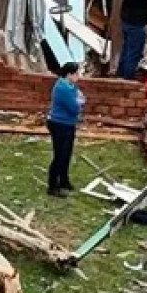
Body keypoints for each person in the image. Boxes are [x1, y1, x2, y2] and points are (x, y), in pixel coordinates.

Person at [47, 62, 85, 195]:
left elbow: (79, 98)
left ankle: (64, 180)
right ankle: (52, 186)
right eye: (77, 74)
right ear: (69, 74)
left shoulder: (70, 86)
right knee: (59, 155)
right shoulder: (63, 88)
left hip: (68, 123)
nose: (78, 77)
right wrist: (79, 102)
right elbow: (74, 108)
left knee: (67, 154)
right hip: (59, 124)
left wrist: (79, 101)